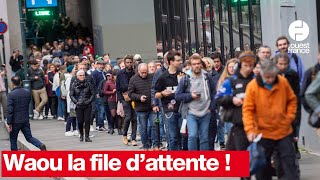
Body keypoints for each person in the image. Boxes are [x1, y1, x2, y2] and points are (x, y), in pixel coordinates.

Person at [243, 60, 299, 180]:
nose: (269, 79)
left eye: (272, 77)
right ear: (261, 74)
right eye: (266, 77)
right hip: (263, 132)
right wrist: (250, 129)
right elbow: (247, 110)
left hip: (283, 130)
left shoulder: (282, 82)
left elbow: (292, 100)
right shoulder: (252, 86)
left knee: (289, 164)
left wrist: (289, 117)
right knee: (263, 167)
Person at [215, 51, 255, 153]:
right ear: (240, 66)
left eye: (251, 65)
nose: (248, 68)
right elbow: (218, 98)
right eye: (245, 65)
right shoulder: (232, 81)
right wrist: (232, 99)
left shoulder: (257, 81)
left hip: (256, 124)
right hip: (238, 124)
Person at [175, 54, 216, 150]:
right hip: (191, 112)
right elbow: (178, 95)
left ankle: (204, 160)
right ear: (190, 65)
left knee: (204, 138)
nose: (196, 66)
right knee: (192, 136)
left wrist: (211, 108)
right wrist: (190, 96)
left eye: (198, 63)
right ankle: (193, 159)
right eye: (194, 64)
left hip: (206, 111)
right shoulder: (185, 79)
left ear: (201, 64)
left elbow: (214, 93)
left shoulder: (207, 77)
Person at [5, 76, 47, 151]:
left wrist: (9, 123)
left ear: (12, 83)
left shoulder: (11, 94)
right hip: (25, 119)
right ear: (20, 82)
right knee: (29, 137)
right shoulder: (27, 92)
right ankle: (40, 145)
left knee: (13, 139)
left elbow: (10, 110)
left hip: (15, 121)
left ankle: (15, 157)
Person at [155, 50, 185, 150]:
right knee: (173, 137)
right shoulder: (162, 77)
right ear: (171, 62)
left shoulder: (182, 74)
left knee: (183, 134)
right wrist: (162, 93)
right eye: (178, 60)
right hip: (170, 109)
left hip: (182, 108)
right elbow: (156, 94)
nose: (180, 62)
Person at [274, 53, 301, 159]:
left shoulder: (292, 74)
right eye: (280, 64)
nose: (283, 66)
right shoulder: (273, 76)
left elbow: (296, 96)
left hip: (289, 110)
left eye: (285, 64)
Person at [128, 63, 157, 150]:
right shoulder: (133, 79)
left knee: (154, 126)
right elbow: (130, 94)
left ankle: (155, 144)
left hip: (152, 106)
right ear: (138, 71)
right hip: (140, 108)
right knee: (143, 128)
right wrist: (139, 97)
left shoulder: (152, 77)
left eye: (145, 72)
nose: (144, 74)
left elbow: (156, 89)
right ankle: (145, 145)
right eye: (142, 72)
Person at [116, 55, 138, 146]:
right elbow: (117, 87)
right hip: (125, 96)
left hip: (135, 96)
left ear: (133, 62)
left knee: (135, 118)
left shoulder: (135, 72)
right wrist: (120, 99)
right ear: (124, 63)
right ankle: (124, 134)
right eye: (127, 62)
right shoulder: (120, 73)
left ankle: (133, 138)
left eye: (130, 62)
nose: (129, 64)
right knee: (128, 116)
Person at [70, 70, 95, 142]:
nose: (82, 77)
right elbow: (71, 94)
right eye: (80, 75)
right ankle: (81, 134)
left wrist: (89, 101)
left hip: (87, 104)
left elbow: (93, 94)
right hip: (79, 105)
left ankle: (87, 136)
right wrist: (76, 102)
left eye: (83, 75)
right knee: (80, 121)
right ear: (77, 76)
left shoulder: (88, 83)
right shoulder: (74, 84)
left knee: (87, 121)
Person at [216, 59, 237, 137]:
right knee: (230, 133)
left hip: (240, 110)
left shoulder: (241, 79)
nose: (232, 69)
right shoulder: (224, 80)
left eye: (233, 67)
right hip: (228, 110)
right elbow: (219, 96)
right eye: (230, 67)